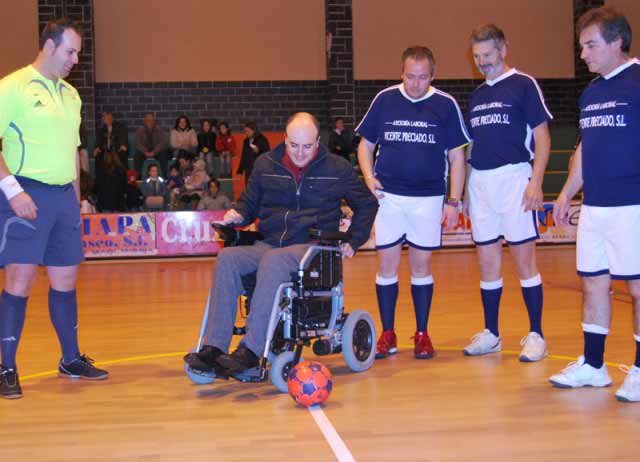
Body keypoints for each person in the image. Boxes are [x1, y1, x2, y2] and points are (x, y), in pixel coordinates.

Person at [184, 112, 378, 376]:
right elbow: (249, 204)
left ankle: (251, 351)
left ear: (318, 141)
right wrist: (238, 214)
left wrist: (354, 240)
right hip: (271, 242)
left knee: (272, 260)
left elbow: (367, 204)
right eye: (294, 145)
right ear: (285, 139)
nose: (300, 152)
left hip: (312, 247)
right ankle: (213, 348)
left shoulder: (337, 168)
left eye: (307, 146)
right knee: (228, 258)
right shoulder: (266, 164)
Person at [0, 18, 109, 400]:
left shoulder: (71, 96)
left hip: (64, 199)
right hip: (26, 196)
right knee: (19, 282)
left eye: (78, 52)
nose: (76, 59)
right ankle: (6, 366)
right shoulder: (11, 87)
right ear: (48, 46)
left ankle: (70, 358)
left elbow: (72, 153)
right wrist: (13, 191)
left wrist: (77, 200)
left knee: (65, 282)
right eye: (70, 51)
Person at [549, 7, 640, 402]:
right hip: (595, 207)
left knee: (637, 288)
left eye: (590, 45)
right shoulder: (591, 93)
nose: (583, 54)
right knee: (593, 284)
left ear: (617, 42)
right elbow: (587, 148)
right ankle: (593, 365)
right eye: (581, 46)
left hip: (633, 206)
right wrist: (568, 191)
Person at [357, 46, 469, 360]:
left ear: (432, 76)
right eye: (410, 76)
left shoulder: (445, 105)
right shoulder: (385, 99)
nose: (415, 83)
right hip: (388, 197)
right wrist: (368, 177)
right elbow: (365, 146)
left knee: (421, 266)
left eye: (422, 77)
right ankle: (388, 333)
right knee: (387, 265)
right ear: (401, 73)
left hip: (428, 198)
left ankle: (421, 333)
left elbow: (458, 157)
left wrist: (454, 201)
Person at [461, 24, 553, 362]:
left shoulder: (523, 85)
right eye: (476, 56)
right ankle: (492, 333)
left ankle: (536, 334)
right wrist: (469, 188)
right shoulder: (476, 96)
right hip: (481, 183)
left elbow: (542, 138)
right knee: (487, 263)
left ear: (503, 49)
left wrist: (536, 181)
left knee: (524, 260)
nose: (482, 61)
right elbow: (474, 145)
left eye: (487, 54)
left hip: (515, 179)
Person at [237, 121, 269, 186]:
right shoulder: (246, 141)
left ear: (254, 130)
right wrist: (240, 170)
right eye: (245, 131)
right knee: (249, 187)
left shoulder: (262, 139)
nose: (246, 133)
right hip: (248, 170)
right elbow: (244, 156)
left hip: (259, 169)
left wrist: (258, 151)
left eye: (248, 131)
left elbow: (267, 153)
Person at [134, 112, 167, 177]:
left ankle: (164, 176)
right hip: (144, 151)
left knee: (163, 154)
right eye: (148, 120)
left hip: (156, 151)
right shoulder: (140, 130)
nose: (149, 122)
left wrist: (154, 152)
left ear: (154, 121)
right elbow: (137, 143)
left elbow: (162, 142)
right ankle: (138, 177)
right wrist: (145, 152)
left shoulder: (159, 129)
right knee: (137, 156)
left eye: (151, 120)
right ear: (145, 121)